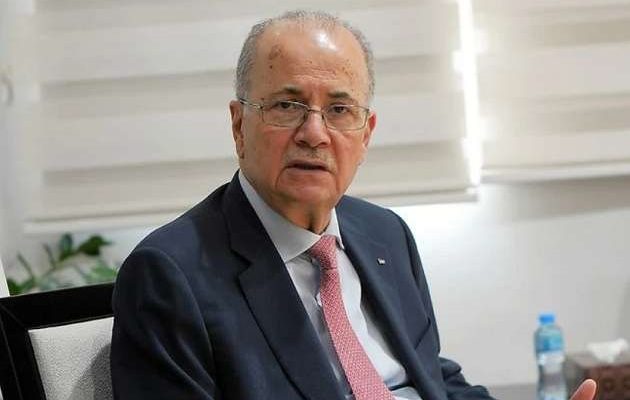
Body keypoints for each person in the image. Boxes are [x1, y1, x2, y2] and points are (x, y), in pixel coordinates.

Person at [110, 10, 597, 400]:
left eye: (339, 110)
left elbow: (433, 379)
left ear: (365, 135)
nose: (314, 134)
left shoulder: (385, 234)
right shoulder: (169, 275)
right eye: (287, 106)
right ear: (239, 126)